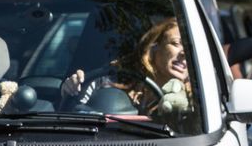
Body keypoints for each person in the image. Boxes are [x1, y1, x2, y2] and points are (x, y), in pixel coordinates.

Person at [61, 17, 194, 123]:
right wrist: (72, 89)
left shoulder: (198, 100)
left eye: (191, 49)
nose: (185, 53)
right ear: (155, 47)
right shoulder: (113, 77)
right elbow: (73, 113)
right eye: (176, 43)